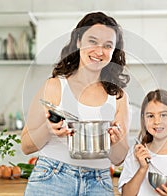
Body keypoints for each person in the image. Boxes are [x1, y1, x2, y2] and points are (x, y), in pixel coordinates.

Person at [21, 12, 131, 196]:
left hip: (98, 182)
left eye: (107, 46)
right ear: (79, 41)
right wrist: (48, 130)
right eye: (93, 41)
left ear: (113, 52)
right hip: (52, 178)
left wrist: (116, 141)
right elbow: (26, 146)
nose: (99, 51)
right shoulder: (55, 86)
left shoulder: (118, 97)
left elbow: (119, 159)